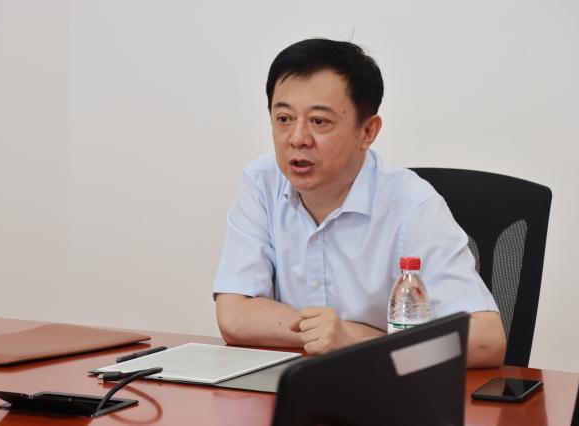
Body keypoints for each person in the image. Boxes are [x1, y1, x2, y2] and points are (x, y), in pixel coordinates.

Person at [212, 38, 506, 368]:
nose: (297, 138)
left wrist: (357, 343)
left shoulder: (412, 207)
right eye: (284, 118)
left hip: (387, 389)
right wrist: (338, 334)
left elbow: (486, 341)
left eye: (319, 121)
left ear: (367, 131)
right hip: (295, 386)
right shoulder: (262, 183)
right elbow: (234, 316)